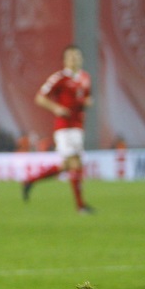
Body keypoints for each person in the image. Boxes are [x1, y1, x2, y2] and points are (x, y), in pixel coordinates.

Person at [22, 45, 94, 213]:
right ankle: (81, 206)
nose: (74, 59)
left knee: (68, 165)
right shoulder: (59, 78)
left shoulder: (85, 77)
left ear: (81, 59)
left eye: (77, 56)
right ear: (64, 61)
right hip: (65, 127)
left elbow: (85, 97)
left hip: (78, 126)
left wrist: (87, 102)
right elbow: (40, 98)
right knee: (75, 163)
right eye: (71, 57)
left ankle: (30, 180)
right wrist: (56, 109)